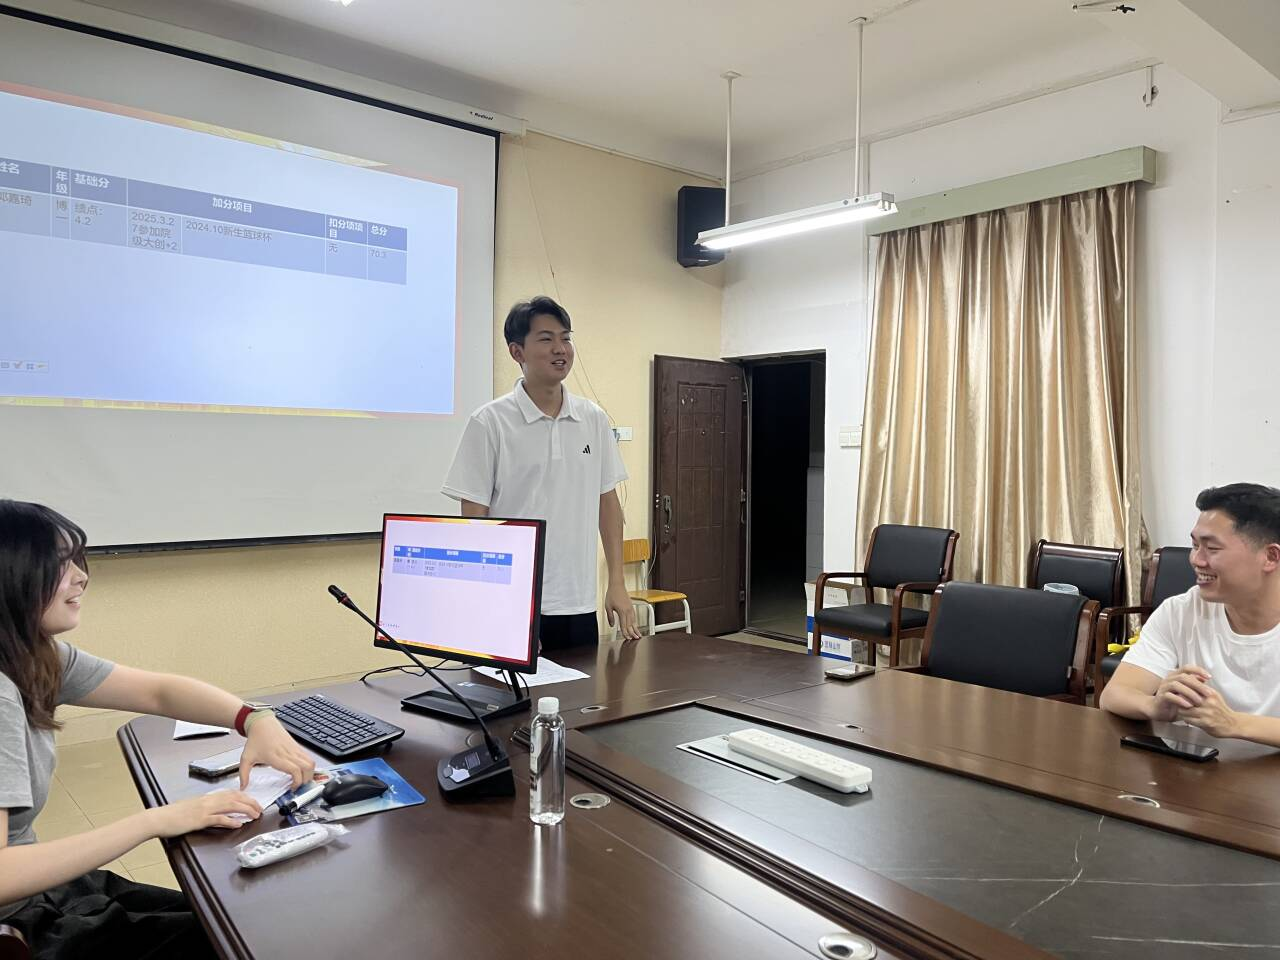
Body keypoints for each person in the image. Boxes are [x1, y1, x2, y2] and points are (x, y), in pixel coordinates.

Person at [0, 500, 315, 958]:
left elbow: (158, 692)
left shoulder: (31, 654)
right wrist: (156, 820)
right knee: (249, 938)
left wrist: (254, 718)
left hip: (42, 892)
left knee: (229, 918)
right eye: (59, 564)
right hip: (21, 922)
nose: (81, 577)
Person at [443, 296, 642, 649]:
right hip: (510, 601)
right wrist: (481, 595)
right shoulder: (490, 422)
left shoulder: (593, 419)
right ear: (516, 352)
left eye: (566, 338)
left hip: (577, 602)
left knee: (585, 686)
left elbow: (608, 503)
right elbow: (474, 517)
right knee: (504, 687)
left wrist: (617, 582)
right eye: (546, 339)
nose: (560, 349)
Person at [1100, 483, 1280, 746]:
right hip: (1190, 768)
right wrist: (1155, 706)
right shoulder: (1181, 611)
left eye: (1212, 548)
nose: (1196, 559)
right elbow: (1114, 695)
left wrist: (1233, 723)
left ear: (1271, 557)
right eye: (1195, 545)